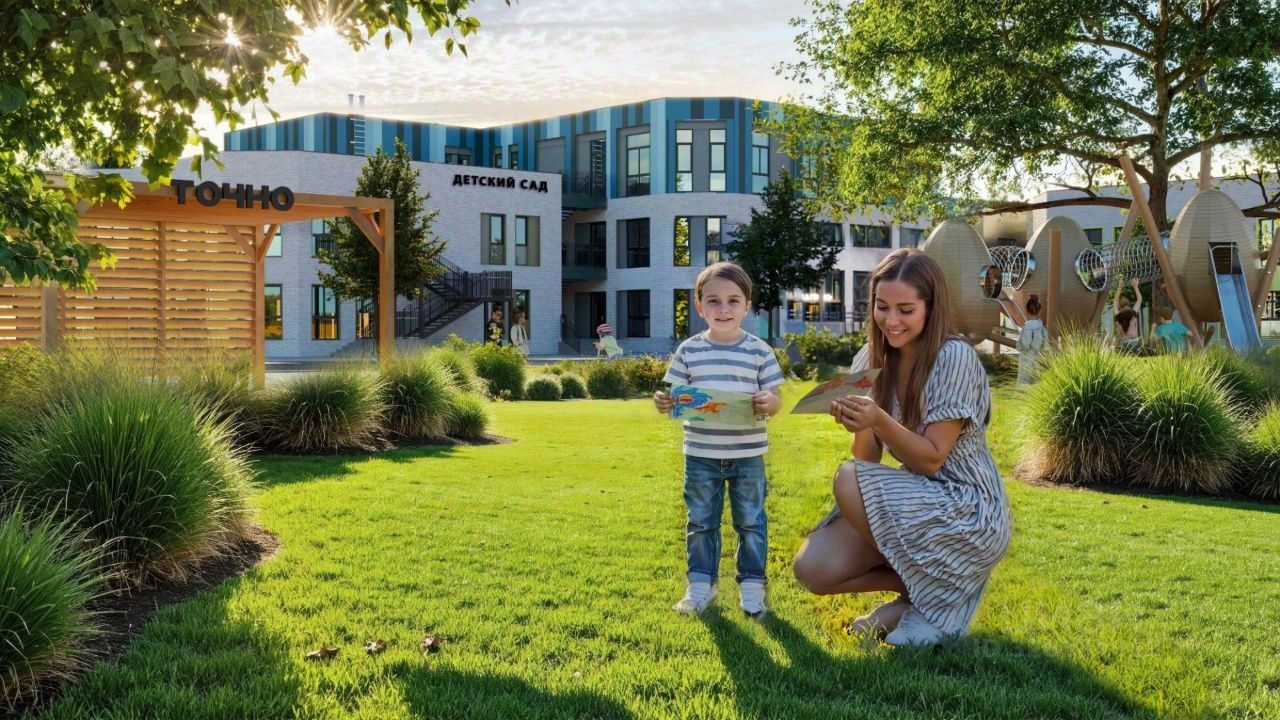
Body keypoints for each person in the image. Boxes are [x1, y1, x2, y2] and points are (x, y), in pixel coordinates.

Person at [791, 248, 1011, 646]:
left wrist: (877, 418)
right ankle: (929, 593)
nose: (891, 321)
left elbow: (931, 459)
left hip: (969, 509)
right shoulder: (870, 357)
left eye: (906, 310)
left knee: (848, 478)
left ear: (931, 307)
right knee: (813, 568)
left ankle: (938, 607)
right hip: (917, 503)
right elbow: (867, 458)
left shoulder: (954, 358)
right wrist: (861, 422)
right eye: (882, 307)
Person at [653, 261, 785, 617]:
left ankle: (752, 587)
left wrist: (768, 403)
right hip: (700, 453)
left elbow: (775, 399)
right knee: (700, 521)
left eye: (733, 300)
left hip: (747, 454)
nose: (723, 309)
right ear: (700, 307)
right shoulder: (689, 351)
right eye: (713, 301)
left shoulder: (759, 351)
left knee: (751, 521)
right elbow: (674, 395)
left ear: (747, 306)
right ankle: (701, 586)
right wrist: (664, 402)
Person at [1016, 294, 1047, 384]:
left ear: (1027, 311)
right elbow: (1046, 345)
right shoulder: (1042, 328)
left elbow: (1025, 344)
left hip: (1026, 359)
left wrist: (1019, 347)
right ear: (1038, 311)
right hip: (1038, 358)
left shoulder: (1026, 327)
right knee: (1037, 383)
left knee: (1024, 383)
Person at [1111, 277, 1143, 353]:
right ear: (1129, 305)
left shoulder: (1118, 315)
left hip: (1123, 345)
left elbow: (1115, 301)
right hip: (1135, 344)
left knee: (1113, 347)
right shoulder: (1133, 313)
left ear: (1120, 307)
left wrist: (1119, 288)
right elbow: (1139, 299)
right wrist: (1136, 287)